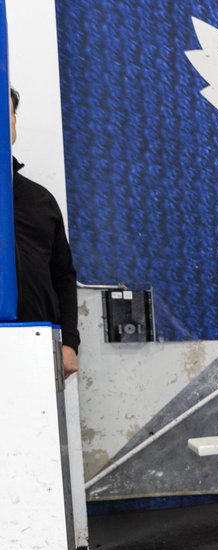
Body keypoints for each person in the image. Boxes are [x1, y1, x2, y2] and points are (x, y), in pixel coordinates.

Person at [8, 86, 78, 376]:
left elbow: (62, 276)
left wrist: (70, 343)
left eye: (6, 113)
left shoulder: (40, 200)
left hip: (36, 345)